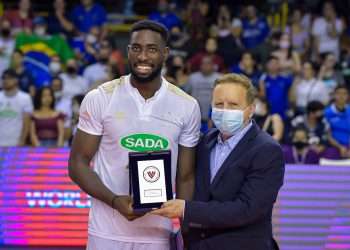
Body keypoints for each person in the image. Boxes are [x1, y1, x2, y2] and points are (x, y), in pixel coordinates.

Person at [68, 20, 201, 250]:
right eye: (136, 48)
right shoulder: (100, 97)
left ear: (165, 53)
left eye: (152, 49)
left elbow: (186, 176)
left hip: (157, 234)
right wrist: (114, 201)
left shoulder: (187, 105)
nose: (143, 57)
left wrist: (183, 227)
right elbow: (77, 163)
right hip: (105, 232)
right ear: (128, 51)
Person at [151, 73, 285, 250]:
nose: (225, 110)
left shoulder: (267, 150)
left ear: (251, 109)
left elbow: (247, 209)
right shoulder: (204, 141)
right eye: (219, 104)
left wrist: (186, 209)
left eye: (233, 105)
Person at [0, 69, 33, 146]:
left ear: (16, 80)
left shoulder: (25, 98)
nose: (5, 80)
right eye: (3, 78)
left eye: (8, 78)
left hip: (16, 142)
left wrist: (22, 140)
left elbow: (27, 122)